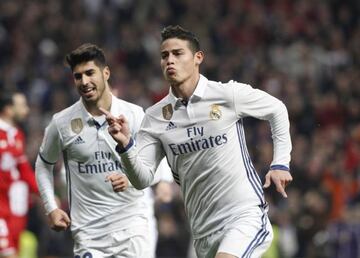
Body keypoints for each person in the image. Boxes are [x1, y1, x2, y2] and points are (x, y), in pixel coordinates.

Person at [102, 25, 293, 258]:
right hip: (202, 230)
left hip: (244, 216)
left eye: (178, 53)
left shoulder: (226, 94)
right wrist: (126, 146)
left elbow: (277, 109)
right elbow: (142, 178)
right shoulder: (154, 117)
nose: (169, 60)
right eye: (164, 56)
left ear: (198, 58)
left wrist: (280, 163)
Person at [35, 43, 165, 257]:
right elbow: (43, 164)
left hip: (132, 228)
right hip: (89, 235)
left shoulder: (134, 115)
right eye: (78, 76)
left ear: (106, 73)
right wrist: (51, 207)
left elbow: (155, 164)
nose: (84, 82)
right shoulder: (62, 122)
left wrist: (132, 178)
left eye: (89, 73)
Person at [0, 92, 38, 258]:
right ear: (8, 109)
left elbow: (23, 169)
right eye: (22, 106)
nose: (26, 110)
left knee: (14, 250)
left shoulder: (17, 135)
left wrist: (43, 193)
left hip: (15, 207)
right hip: (1, 207)